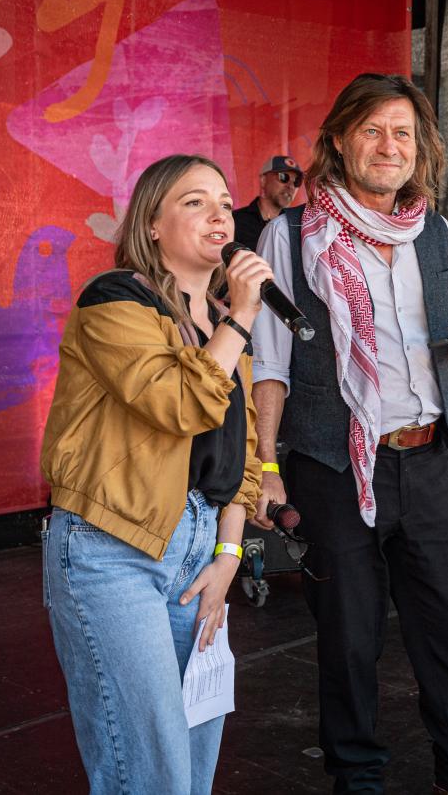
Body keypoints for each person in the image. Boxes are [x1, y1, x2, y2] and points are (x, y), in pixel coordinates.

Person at [251, 73, 448, 795]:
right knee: (349, 638)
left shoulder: (433, 233)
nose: (388, 146)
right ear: (340, 141)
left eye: (402, 132)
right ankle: (358, 779)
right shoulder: (290, 235)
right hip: (332, 465)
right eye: (372, 130)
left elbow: (442, 337)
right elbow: (271, 364)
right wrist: (267, 469)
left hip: (426, 459)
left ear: (419, 147)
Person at [40, 153, 274, 793]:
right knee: (149, 765)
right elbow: (176, 404)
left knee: (194, 756)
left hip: (199, 549)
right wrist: (241, 317)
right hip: (113, 547)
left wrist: (229, 556)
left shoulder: (223, 325)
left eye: (223, 202)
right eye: (194, 202)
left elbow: (241, 452)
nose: (218, 214)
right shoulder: (115, 300)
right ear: (151, 223)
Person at [232, 154, 304, 250]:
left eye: (297, 181)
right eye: (283, 177)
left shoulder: (298, 228)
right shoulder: (235, 221)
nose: (291, 186)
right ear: (263, 180)